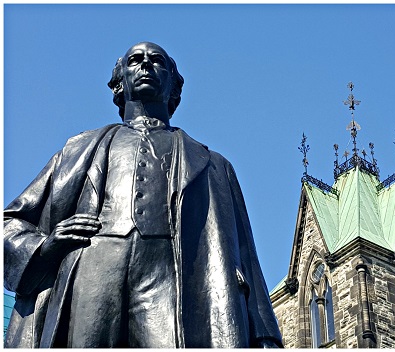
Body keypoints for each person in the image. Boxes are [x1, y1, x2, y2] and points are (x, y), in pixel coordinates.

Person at [4, 42, 283, 348]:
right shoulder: (77, 150)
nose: (146, 65)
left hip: (170, 273)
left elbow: (247, 259)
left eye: (157, 61)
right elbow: (11, 222)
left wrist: (266, 335)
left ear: (174, 87)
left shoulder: (215, 166)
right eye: (135, 60)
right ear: (119, 82)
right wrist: (46, 246)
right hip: (93, 269)